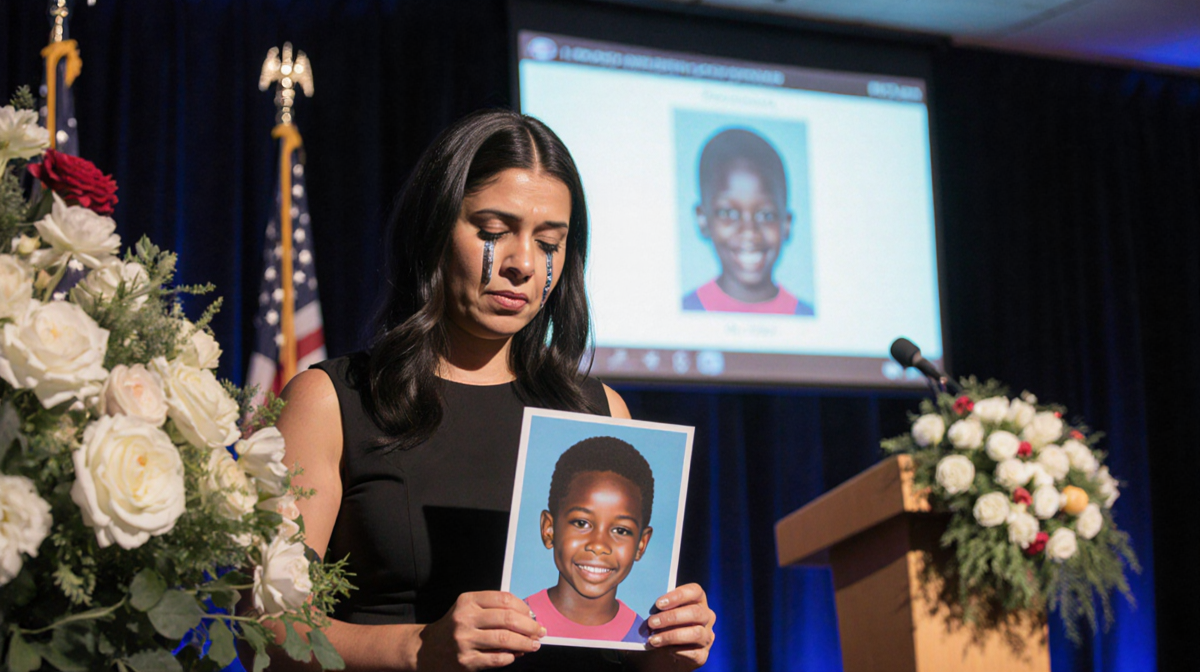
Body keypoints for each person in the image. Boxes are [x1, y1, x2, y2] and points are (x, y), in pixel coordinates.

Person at [271, 109, 716, 671]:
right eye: (493, 232)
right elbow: (267, 628)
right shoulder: (332, 401)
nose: (522, 264)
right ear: (434, 228)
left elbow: (612, 650)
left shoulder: (598, 411)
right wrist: (416, 647)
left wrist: (669, 648)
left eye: (548, 242)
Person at [527, 437, 655, 644]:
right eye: (581, 523)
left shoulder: (646, 643)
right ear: (549, 529)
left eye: (621, 530)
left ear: (641, 544)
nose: (598, 545)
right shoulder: (513, 622)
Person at [681, 127, 813, 316]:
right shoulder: (686, 310)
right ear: (703, 220)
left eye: (766, 215)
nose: (749, 232)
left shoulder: (806, 316)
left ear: (787, 224)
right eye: (728, 213)